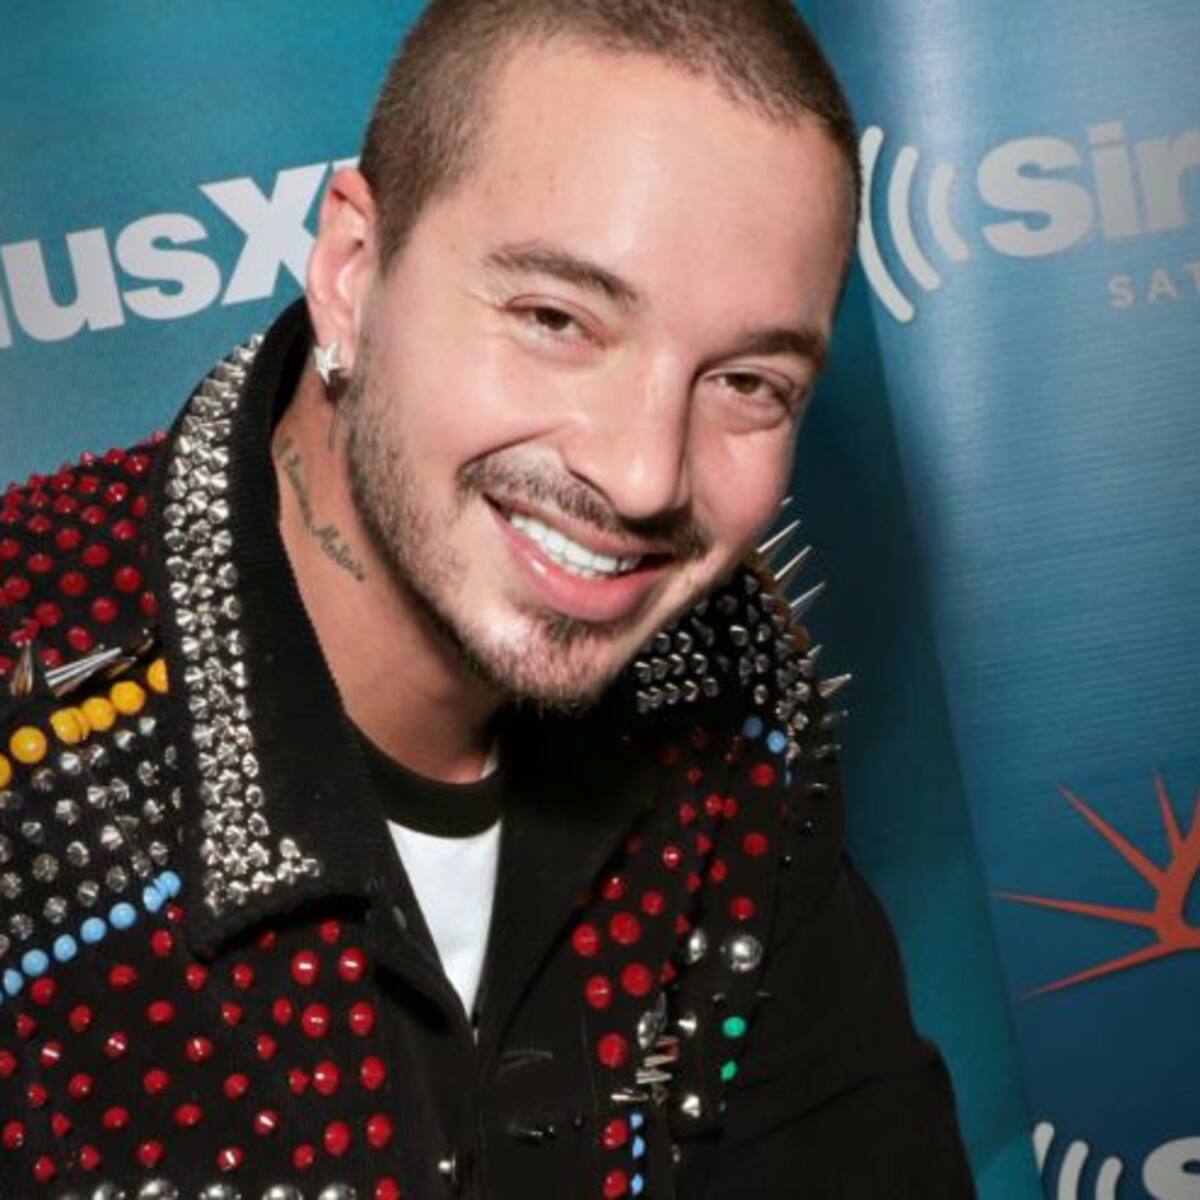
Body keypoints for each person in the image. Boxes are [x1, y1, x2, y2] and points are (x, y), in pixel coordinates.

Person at [0, 1, 974, 1196]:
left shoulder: (733, 683)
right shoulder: (30, 732)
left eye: (746, 382)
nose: (644, 475)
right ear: (352, 272)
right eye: (557, 319)